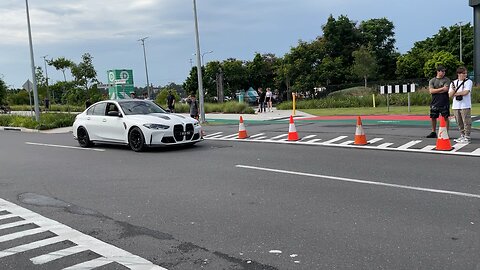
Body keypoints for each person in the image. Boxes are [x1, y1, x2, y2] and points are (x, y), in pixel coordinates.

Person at [448, 66, 473, 143]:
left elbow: (465, 92)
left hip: (465, 105)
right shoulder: (453, 83)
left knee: (466, 121)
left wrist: (455, 93)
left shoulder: (468, 82)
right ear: (458, 74)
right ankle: (462, 135)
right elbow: (449, 95)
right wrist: (455, 91)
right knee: (459, 121)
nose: (465, 75)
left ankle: (467, 136)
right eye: (463, 73)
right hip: (456, 105)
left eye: (466, 73)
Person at [426, 65, 451, 138]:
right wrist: (441, 89)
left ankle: (446, 132)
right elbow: (431, 91)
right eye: (442, 71)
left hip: (444, 101)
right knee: (433, 117)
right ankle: (433, 131)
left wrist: (436, 90)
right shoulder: (432, 80)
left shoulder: (446, 80)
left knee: (445, 117)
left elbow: (446, 89)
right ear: (438, 71)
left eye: (444, 71)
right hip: (435, 101)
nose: (444, 73)